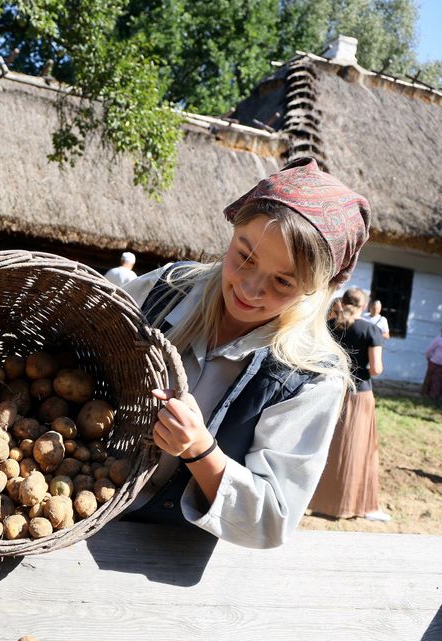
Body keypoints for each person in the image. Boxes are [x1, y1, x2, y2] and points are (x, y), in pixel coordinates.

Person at [120, 157, 370, 548]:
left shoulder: (311, 378)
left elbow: (272, 519)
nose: (250, 290)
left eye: (283, 281)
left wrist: (198, 449)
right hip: (70, 512)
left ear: (316, 288)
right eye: (244, 256)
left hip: (161, 559)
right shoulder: (164, 289)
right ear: (234, 227)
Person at [310, 287, 391, 522]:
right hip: (359, 394)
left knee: (329, 445)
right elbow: (375, 369)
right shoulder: (371, 330)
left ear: (343, 302)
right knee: (357, 449)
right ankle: (354, 505)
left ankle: (320, 501)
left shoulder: (330, 326)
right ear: (364, 307)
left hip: (332, 391)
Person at [421, 324, 442, 400]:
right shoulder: (438, 340)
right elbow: (428, 351)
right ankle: (431, 396)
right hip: (436, 364)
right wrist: (430, 359)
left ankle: (441, 397)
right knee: (435, 381)